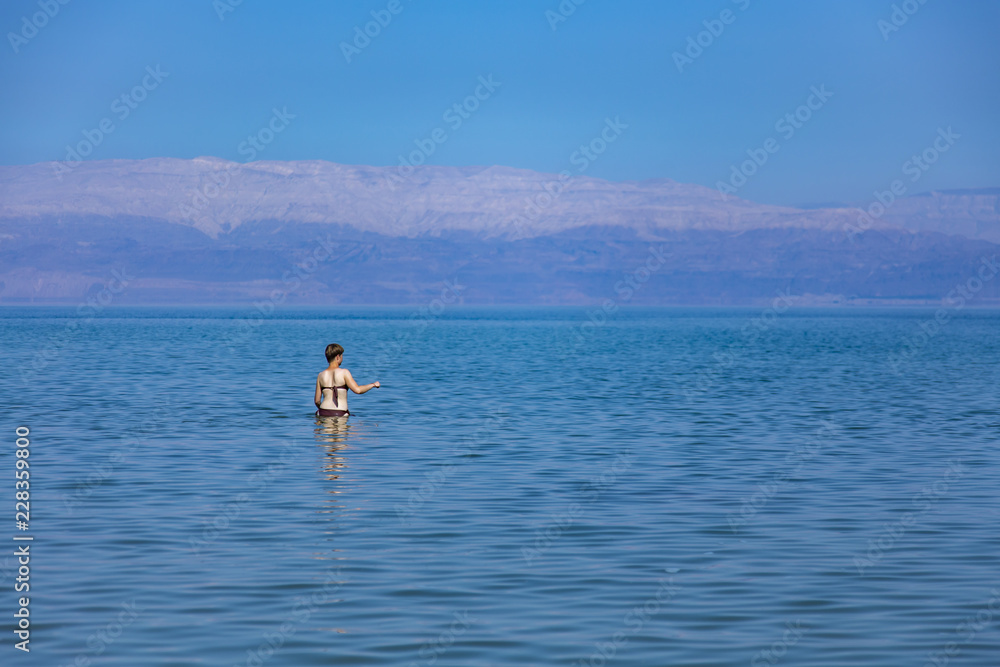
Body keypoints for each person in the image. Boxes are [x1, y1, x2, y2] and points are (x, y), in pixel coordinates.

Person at [314, 343, 379, 417]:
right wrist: (373, 385)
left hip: (322, 412)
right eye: (342, 356)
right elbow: (358, 390)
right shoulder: (344, 372)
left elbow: (317, 401)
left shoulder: (321, 375)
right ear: (338, 357)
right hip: (340, 413)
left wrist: (326, 410)